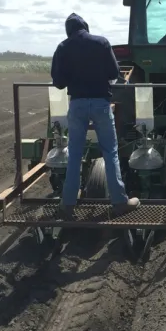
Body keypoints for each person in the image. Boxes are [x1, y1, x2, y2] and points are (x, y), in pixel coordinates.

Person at [51, 12, 140, 218]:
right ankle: (119, 201)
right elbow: (113, 73)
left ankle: (68, 204)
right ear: (86, 26)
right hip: (101, 104)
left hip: (77, 105)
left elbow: (58, 82)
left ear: (68, 30)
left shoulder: (63, 47)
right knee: (110, 152)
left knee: (74, 154)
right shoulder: (101, 43)